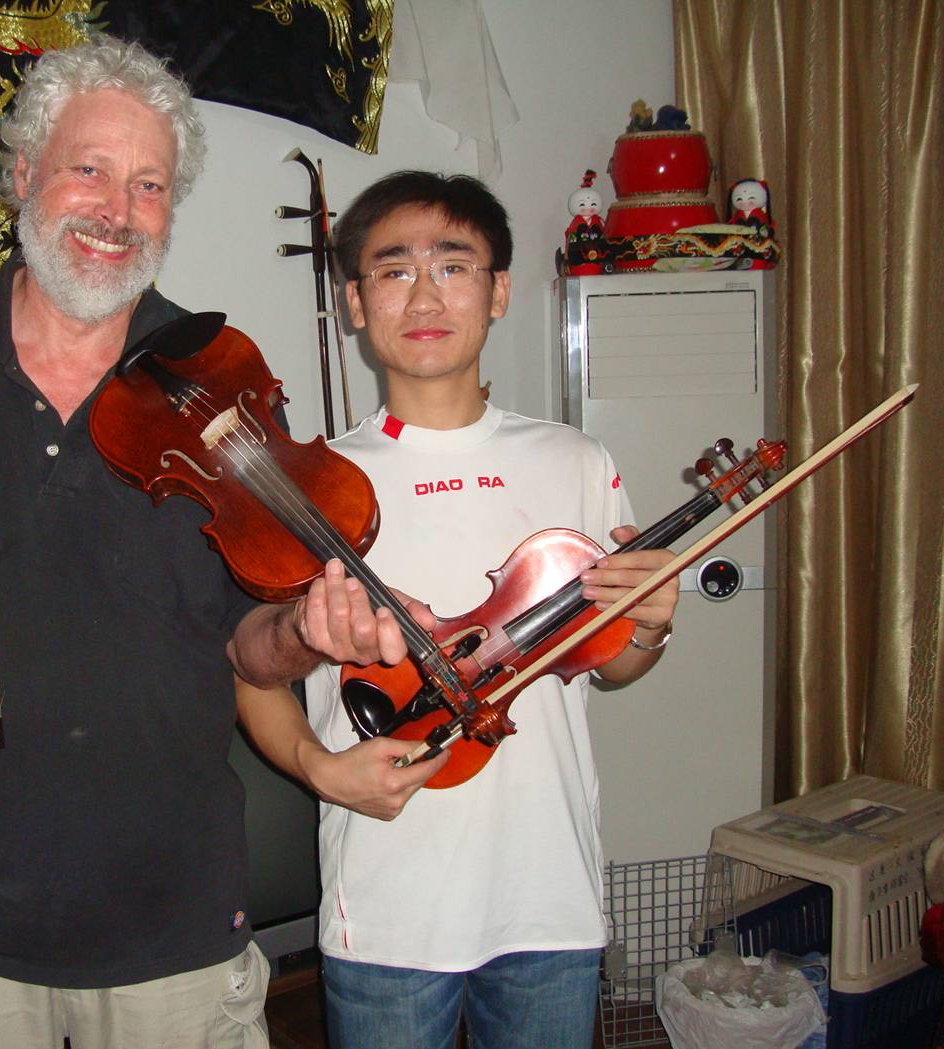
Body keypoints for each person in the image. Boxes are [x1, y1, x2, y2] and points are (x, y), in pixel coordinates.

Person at [0, 36, 408, 1049]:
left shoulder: (220, 379)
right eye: (90, 169)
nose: (118, 210)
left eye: (150, 183)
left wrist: (306, 631)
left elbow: (246, 640)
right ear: (24, 173)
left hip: (171, 913)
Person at [235, 171, 681, 1049]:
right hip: (388, 903)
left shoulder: (576, 459)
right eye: (394, 271)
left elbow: (611, 661)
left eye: (455, 265)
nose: (426, 294)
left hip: (548, 896)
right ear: (356, 304)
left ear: (498, 291)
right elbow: (253, 680)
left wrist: (653, 624)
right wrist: (322, 772)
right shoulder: (309, 483)